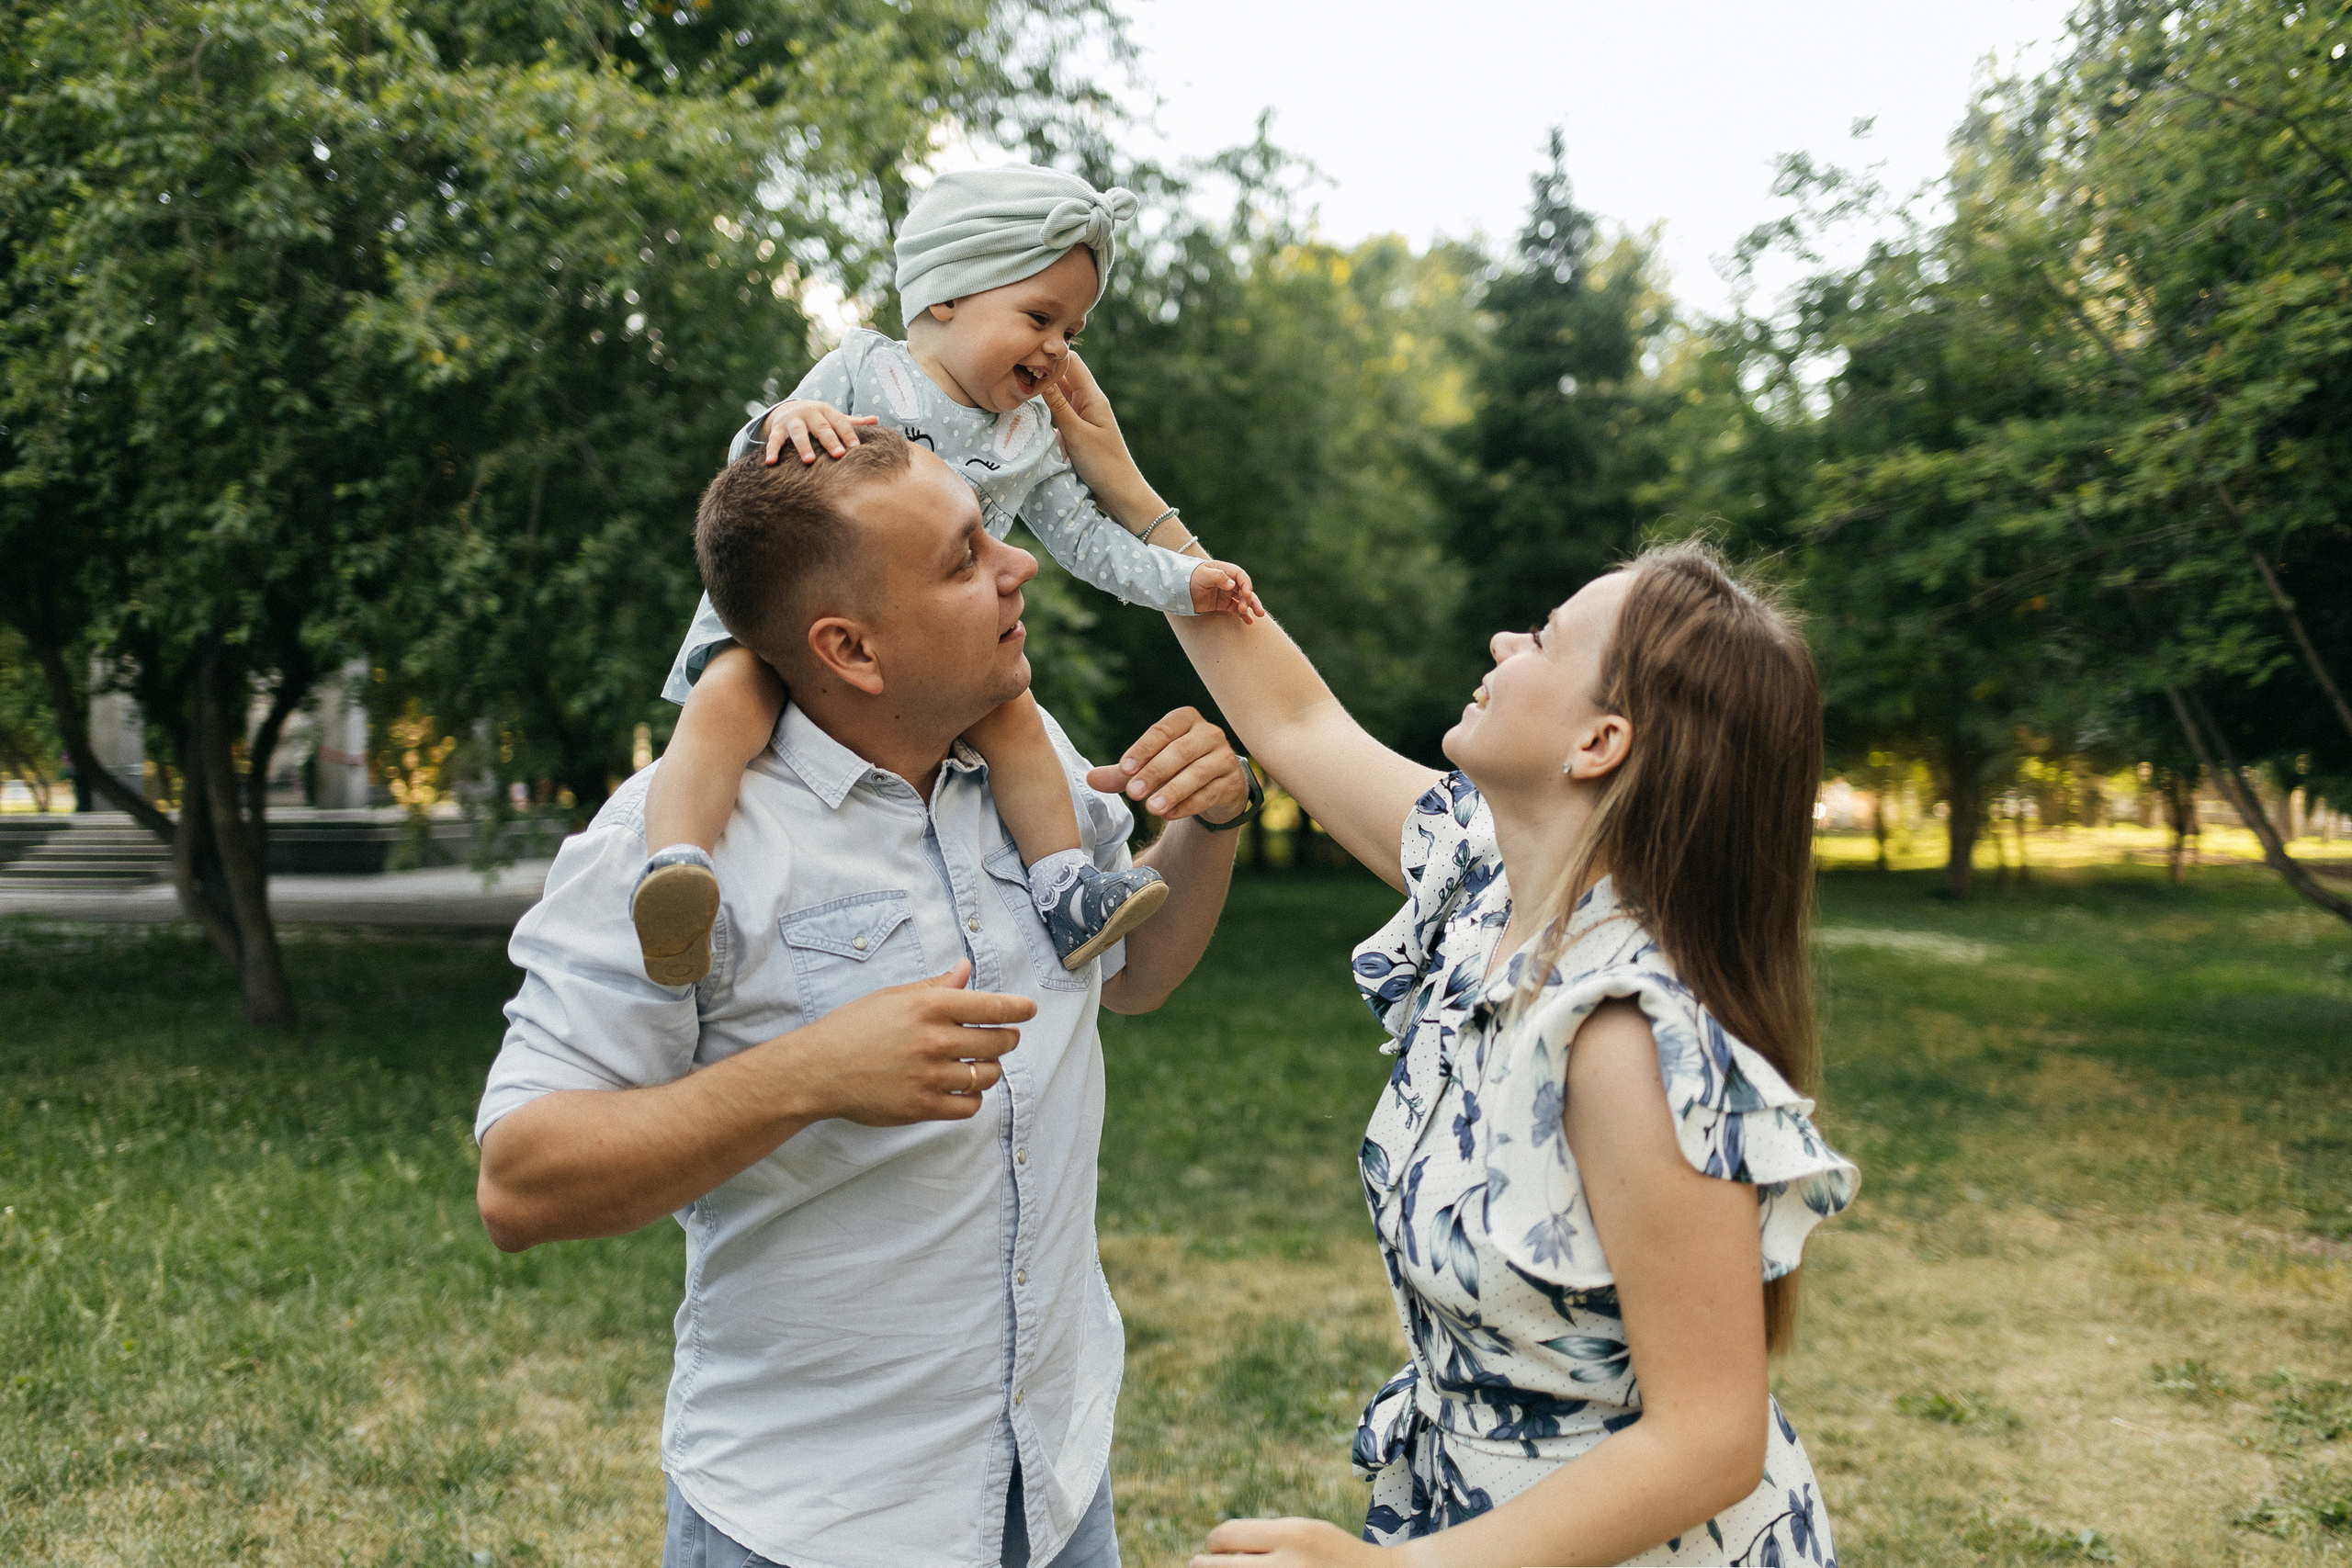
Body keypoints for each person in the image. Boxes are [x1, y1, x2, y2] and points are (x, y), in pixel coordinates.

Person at [1045, 365, 1857, 1565]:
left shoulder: (1631, 1035)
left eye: (1543, 636)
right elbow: (1298, 721)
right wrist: (1120, 483)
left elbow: (1709, 1438)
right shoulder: (1488, 881)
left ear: (1600, 741)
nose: (1501, 637)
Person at [472, 424, 1259, 1568]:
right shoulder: (673, 844)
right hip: (819, 1523)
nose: (1017, 565)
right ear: (851, 649)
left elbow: (1133, 974)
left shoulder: (1025, 756)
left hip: (1052, 1489)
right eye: (961, 559)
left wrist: (1211, 823)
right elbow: (519, 1182)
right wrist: (811, 1074)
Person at [632, 163, 1263, 987]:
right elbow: (750, 477)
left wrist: (1182, 580)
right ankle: (677, 865)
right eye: (1040, 316)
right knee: (730, 696)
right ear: (946, 295)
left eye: (1072, 331)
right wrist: (790, 417)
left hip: (940, 645)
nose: (1058, 349)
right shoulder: (863, 370)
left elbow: (1080, 539)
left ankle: (1067, 888)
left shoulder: (1027, 434)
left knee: (1014, 715)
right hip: (789, 610)